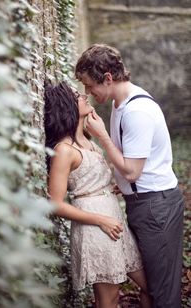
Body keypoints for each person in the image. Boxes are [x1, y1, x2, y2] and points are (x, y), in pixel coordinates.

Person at [75, 43, 185, 308]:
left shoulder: (137, 111)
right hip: (144, 204)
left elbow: (133, 171)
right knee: (154, 285)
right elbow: (130, 165)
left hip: (156, 207)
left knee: (163, 293)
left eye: (90, 86)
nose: (88, 93)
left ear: (108, 78)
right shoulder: (119, 104)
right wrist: (119, 184)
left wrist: (101, 136)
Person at [44, 80, 152, 308]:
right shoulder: (64, 150)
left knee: (151, 286)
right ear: (67, 107)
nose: (84, 96)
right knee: (109, 299)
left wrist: (109, 188)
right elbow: (55, 203)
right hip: (96, 226)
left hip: (114, 220)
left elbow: (90, 179)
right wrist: (100, 220)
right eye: (77, 96)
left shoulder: (87, 139)